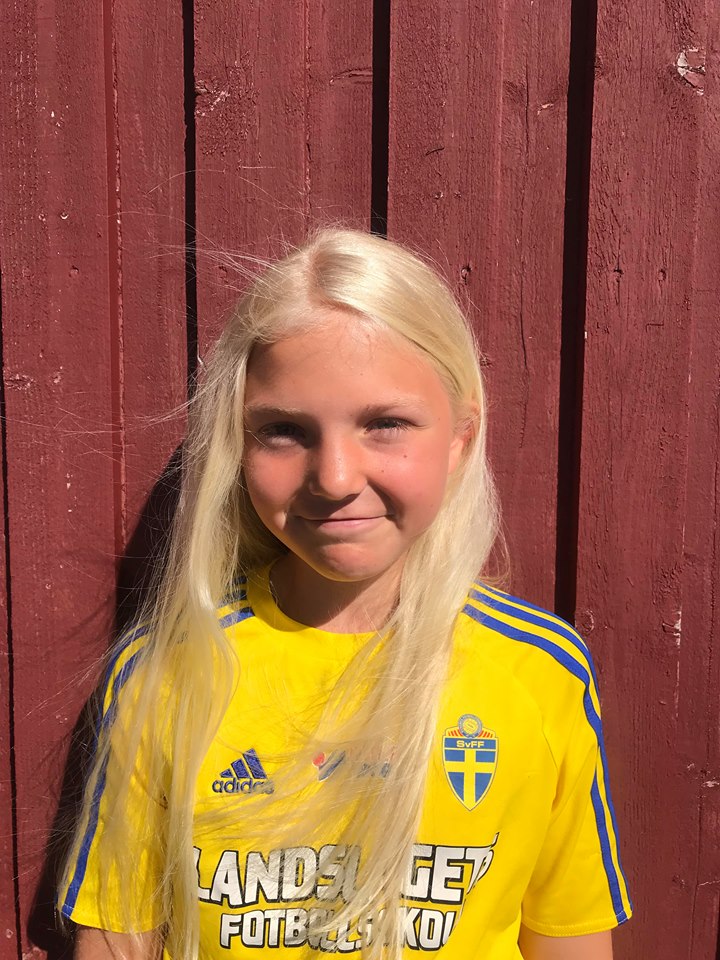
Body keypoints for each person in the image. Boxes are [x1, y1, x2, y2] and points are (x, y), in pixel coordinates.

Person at [57, 229, 632, 960]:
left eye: (384, 424)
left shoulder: (538, 673)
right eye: (283, 431)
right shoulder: (169, 671)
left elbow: (569, 936)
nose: (333, 478)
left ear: (461, 437)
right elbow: (117, 937)